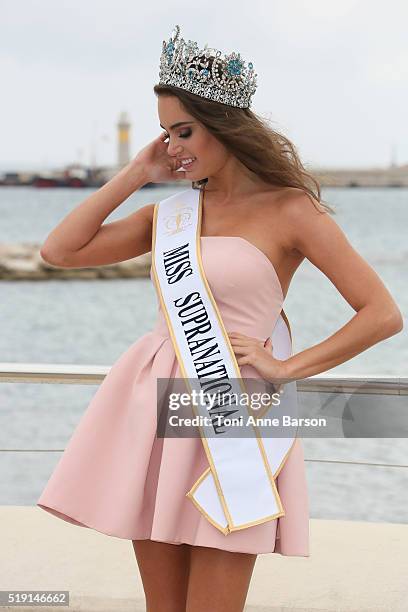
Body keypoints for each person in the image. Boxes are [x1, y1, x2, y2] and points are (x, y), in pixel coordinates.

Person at [37, 25, 403, 612]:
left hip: (235, 416)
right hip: (155, 410)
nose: (174, 145)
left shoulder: (291, 210)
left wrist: (288, 366)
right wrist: (137, 173)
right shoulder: (172, 215)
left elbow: (382, 313)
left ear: (226, 128)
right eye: (164, 133)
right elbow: (60, 252)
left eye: (184, 131)